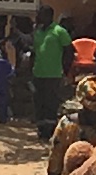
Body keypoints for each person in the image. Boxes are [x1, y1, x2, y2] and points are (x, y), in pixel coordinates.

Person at [27, 11, 72, 144]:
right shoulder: (38, 32)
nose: (38, 17)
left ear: (49, 16)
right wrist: (30, 69)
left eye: (41, 15)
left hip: (53, 74)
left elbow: (69, 51)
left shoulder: (59, 31)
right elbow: (34, 52)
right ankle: (41, 131)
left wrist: (66, 70)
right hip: (38, 73)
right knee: (39, 103)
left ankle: (51, 131)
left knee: (51, 103)